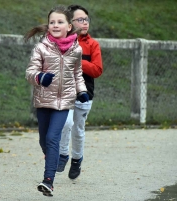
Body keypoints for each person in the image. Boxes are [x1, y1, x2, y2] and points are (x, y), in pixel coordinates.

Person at [24, 5, 89, 197]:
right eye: (52, 22)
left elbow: (77, 74)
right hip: (44, 101)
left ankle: (48, 181)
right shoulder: (41, 47)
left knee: (53, 138)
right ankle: (50, 155)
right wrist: (39, 77)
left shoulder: (76, 49)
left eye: (60, 22)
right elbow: (30, 72)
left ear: (69, 26)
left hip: (64, 103)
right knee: (44, 141)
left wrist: (82, 91)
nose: (55, 25)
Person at [57, 5, 103, 180]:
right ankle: (63, 154)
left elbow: (97, 70)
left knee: (78, 129)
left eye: (86, 19)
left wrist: (77, 60)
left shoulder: (93, 45)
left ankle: (76, 159)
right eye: (79, 20)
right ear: (70, 23)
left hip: (85, 94)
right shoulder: (61, 41)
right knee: (65, 123)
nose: (84, 23)